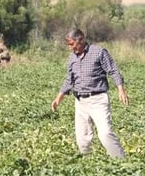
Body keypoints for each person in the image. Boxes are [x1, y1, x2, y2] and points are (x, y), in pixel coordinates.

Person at [51, 29, 128, 158]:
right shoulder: (72, 58)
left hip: (98, 100)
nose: (70, 48)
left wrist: (121, 89)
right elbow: (69, 79)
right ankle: (88, 166)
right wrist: (59, 97)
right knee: (82, 140)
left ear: (80, 40)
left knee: (105, 133)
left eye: (72, 44)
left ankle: (121, 161)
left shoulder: (98, 52)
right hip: (80, 102)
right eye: (68, 44)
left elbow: (113, 70)